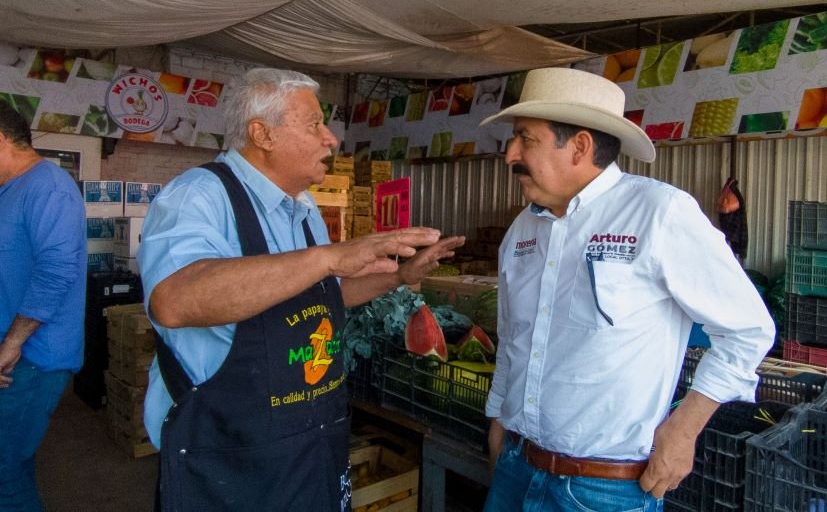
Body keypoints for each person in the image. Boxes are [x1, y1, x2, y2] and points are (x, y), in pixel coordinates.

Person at [138, 68, 464, 511]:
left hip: (311, 440)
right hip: (229, 453)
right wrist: (327, 257)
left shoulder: (304, 208)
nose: (330, 139)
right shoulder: (197, 196)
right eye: (314, 125)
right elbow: (173, 301)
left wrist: (398, 276)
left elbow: (323, 295)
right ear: (263, 134)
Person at [479, 68, 774, 511]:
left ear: (579, 146)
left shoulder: (659, 212)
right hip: (517, 465)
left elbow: (748, 330)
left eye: (525, 138)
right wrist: (498, 419)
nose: (510, 155)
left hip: (604, 490)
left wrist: (684, 429)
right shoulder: (524, 228)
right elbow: (513, 339)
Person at [0, 101, 87, 511]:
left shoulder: (48, 187)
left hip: (31, 358)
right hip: (14, 352)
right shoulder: (10, 190)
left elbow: (56, 270)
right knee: (11, 465)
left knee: (4, 476)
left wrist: (12, 343)